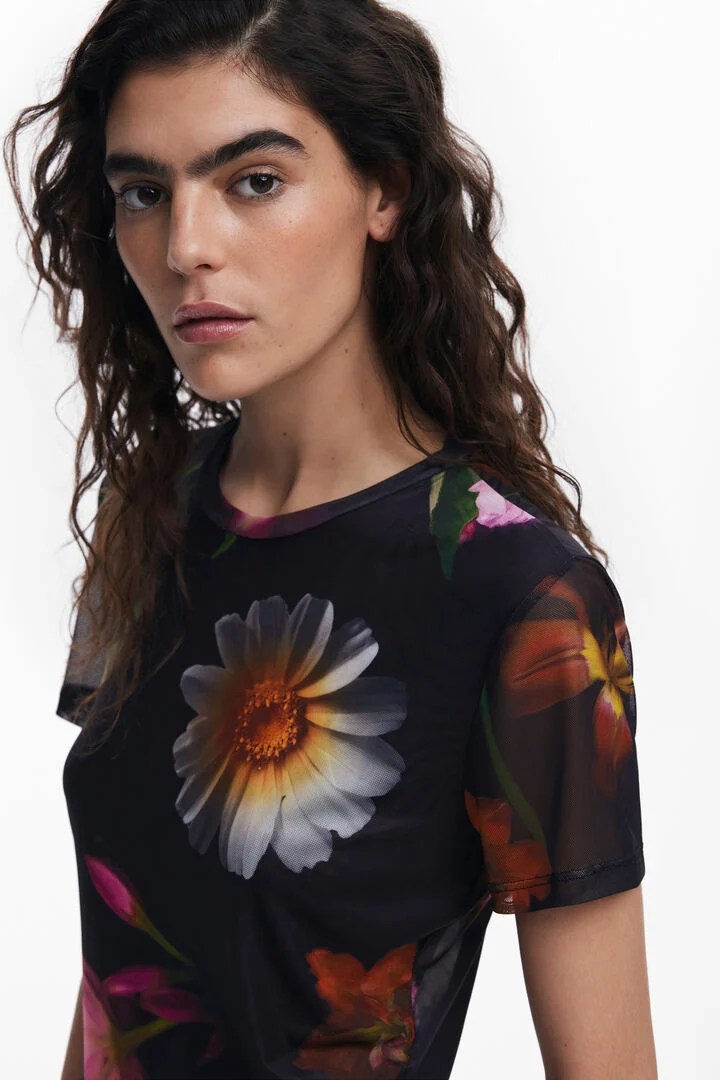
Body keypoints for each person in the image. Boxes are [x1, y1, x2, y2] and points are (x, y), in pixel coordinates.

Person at [4, 1, 657, 1078]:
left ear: (384, 193)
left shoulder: (524, 597)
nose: (186, 246)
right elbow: (120, 973)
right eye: (143, 193)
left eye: (254, 180)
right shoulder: (151, 511)